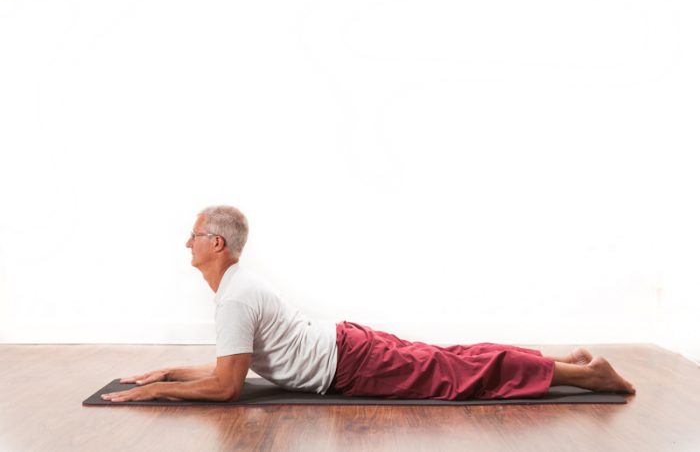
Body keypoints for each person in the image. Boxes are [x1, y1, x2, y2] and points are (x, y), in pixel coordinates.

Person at [102, 205, 636, 403]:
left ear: (216, 243)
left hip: (352, 361)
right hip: (347, 348)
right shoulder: (237, 287)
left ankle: (592, 378)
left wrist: (161, 393)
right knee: (456, 358)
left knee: (460, 375)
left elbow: (226, 387)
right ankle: (569, 365)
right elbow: (233, 366)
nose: (186, 243)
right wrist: (174, 368)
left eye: (193, 235)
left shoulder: (235, 297)